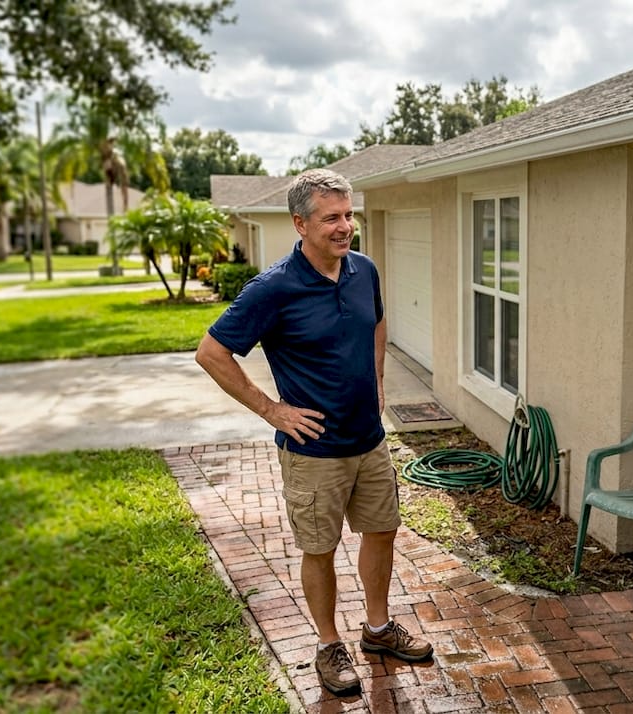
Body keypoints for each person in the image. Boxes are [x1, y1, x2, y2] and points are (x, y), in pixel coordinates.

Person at [195, 168, 433, 696]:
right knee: (319, 548)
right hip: (314, 451)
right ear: (300, 223)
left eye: (349, 215)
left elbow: (376, 321)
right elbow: (212, 353)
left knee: (382, 531)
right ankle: (329, 644)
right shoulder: (273, 289)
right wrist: (273, 411)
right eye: (332, 218)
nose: (345, 227)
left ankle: (377, 630)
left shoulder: (364, 270)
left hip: (369, 441)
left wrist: (377, 379)